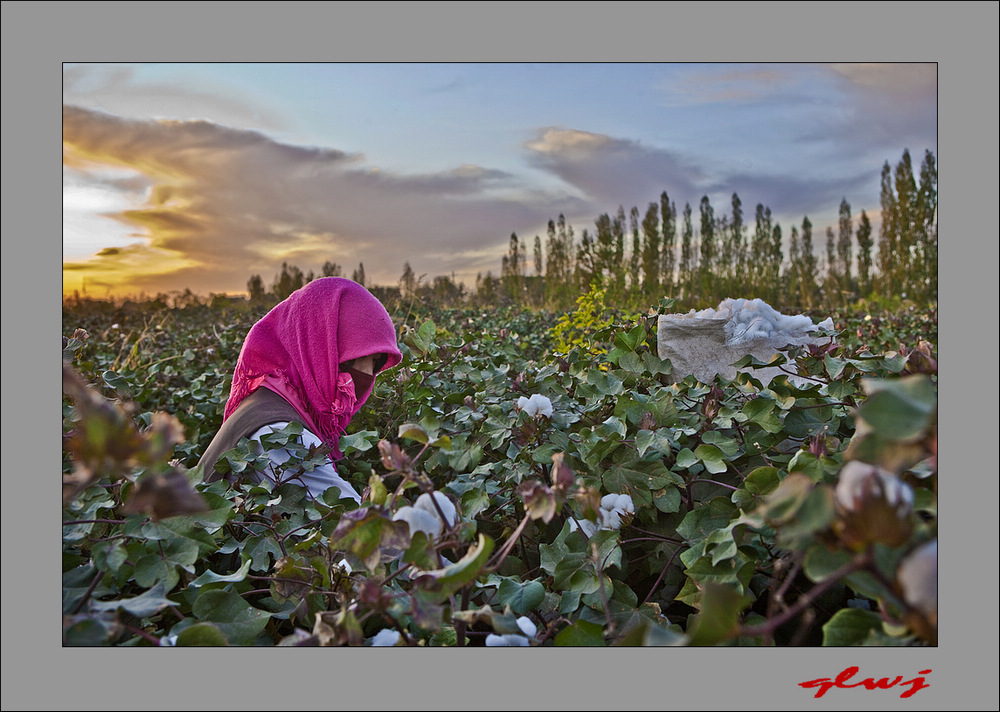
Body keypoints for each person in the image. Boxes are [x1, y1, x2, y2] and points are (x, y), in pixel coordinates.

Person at [198, 277, 402, 504]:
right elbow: (358, 524)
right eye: (356, 358)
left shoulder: (274, 399)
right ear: (317, 351)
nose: (367, 374)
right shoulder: (279, 433)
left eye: (376, 362)